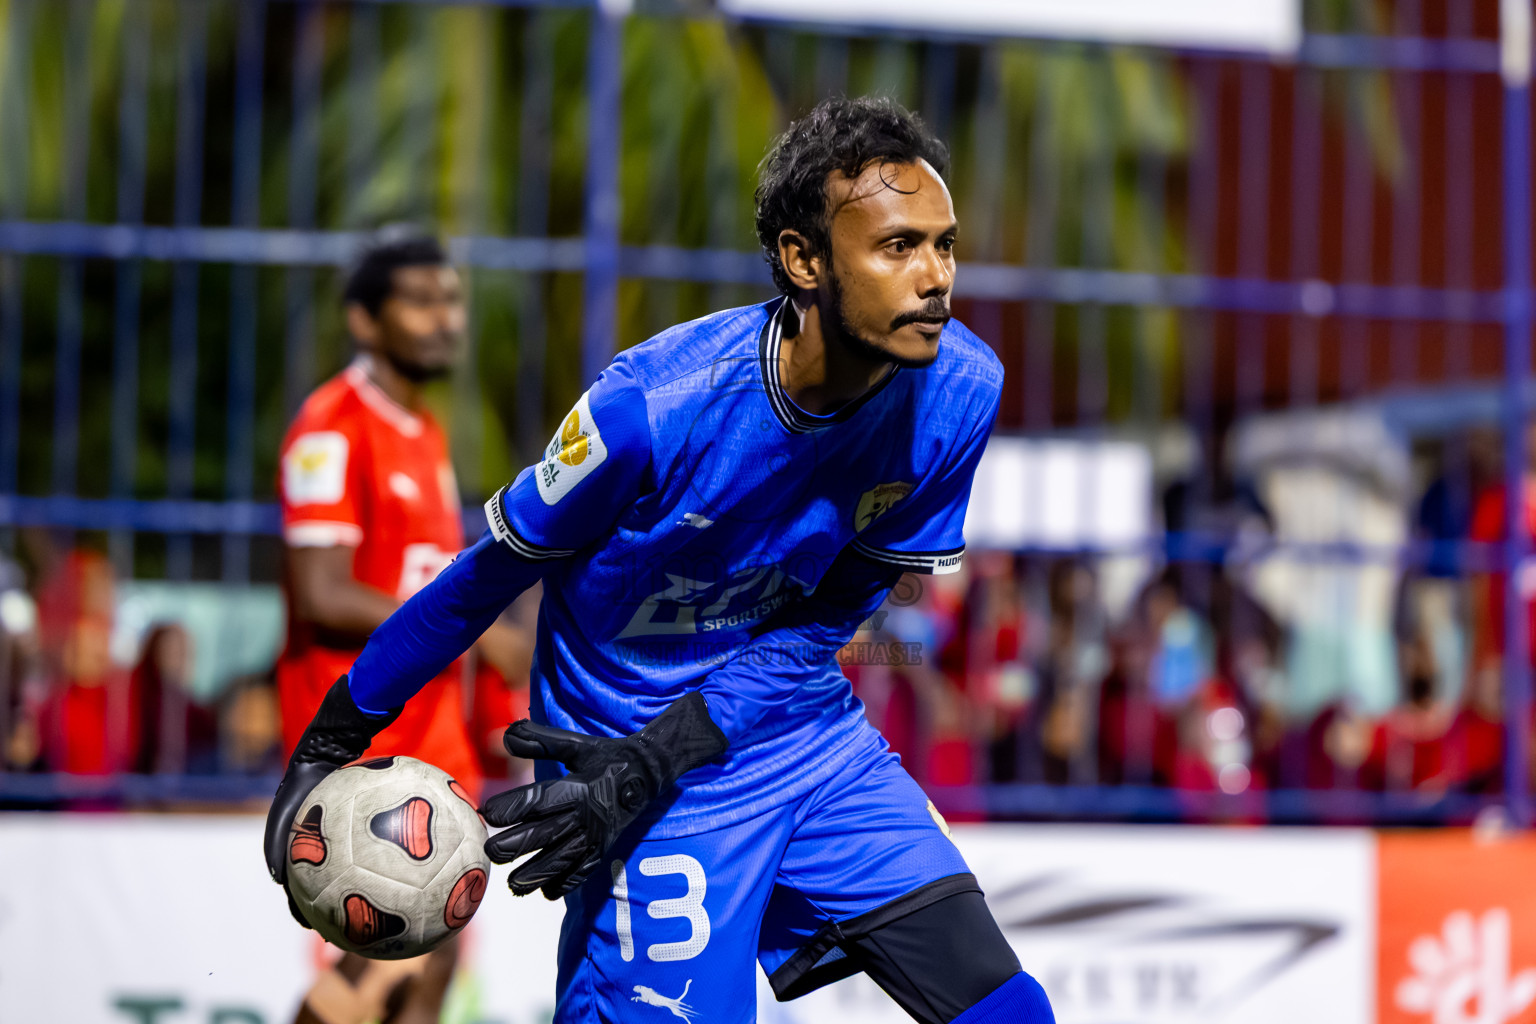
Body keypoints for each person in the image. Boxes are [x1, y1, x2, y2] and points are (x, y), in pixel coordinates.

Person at [265, 99, 1053, 1024]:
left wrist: (664, 752)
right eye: (898, 248)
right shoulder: (650, 410)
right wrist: (330, 742)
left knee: (1008, 1011)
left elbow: (826, 623)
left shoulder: (961, 390)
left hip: (804, 747)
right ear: (804, 261)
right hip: (629, 782)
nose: (936, 279)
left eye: (945, 244)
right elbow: (483, 580)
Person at [274, 227, 527, 1024]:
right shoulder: (331, 426)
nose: (444, 317)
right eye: (419, 301)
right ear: (364, 320)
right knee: (366, 968)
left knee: (433, 956)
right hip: (360, 740)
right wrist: (476, 631)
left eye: (450, 299)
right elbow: (321, 591)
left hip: (435, 736)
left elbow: (420, 577)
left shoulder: (425, 434)